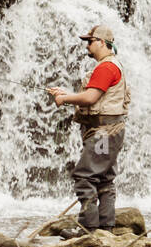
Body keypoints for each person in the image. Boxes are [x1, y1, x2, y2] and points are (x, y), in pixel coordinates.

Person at [46, 24, 130, 236]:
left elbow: (91, 97)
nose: (87, 46)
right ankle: (106, 229)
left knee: (85, 176)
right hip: (111, 131)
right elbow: (95, 96)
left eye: (90, 41)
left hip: (103, 133)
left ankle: (88, 229)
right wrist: (66, 94)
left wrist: (64, 99)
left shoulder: (105, 67)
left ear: (102, 43)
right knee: (104, 179)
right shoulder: (113, 66)